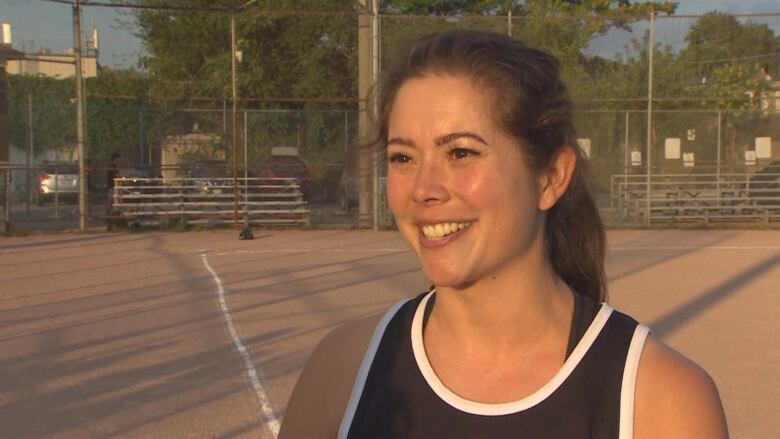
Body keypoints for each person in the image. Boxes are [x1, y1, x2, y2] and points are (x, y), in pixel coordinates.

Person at [279, 30, 728, 438]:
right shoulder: (343, 369)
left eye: (460, 152)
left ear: (551, 176)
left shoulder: (661, 401)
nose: (423, 189)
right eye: (402, 158)